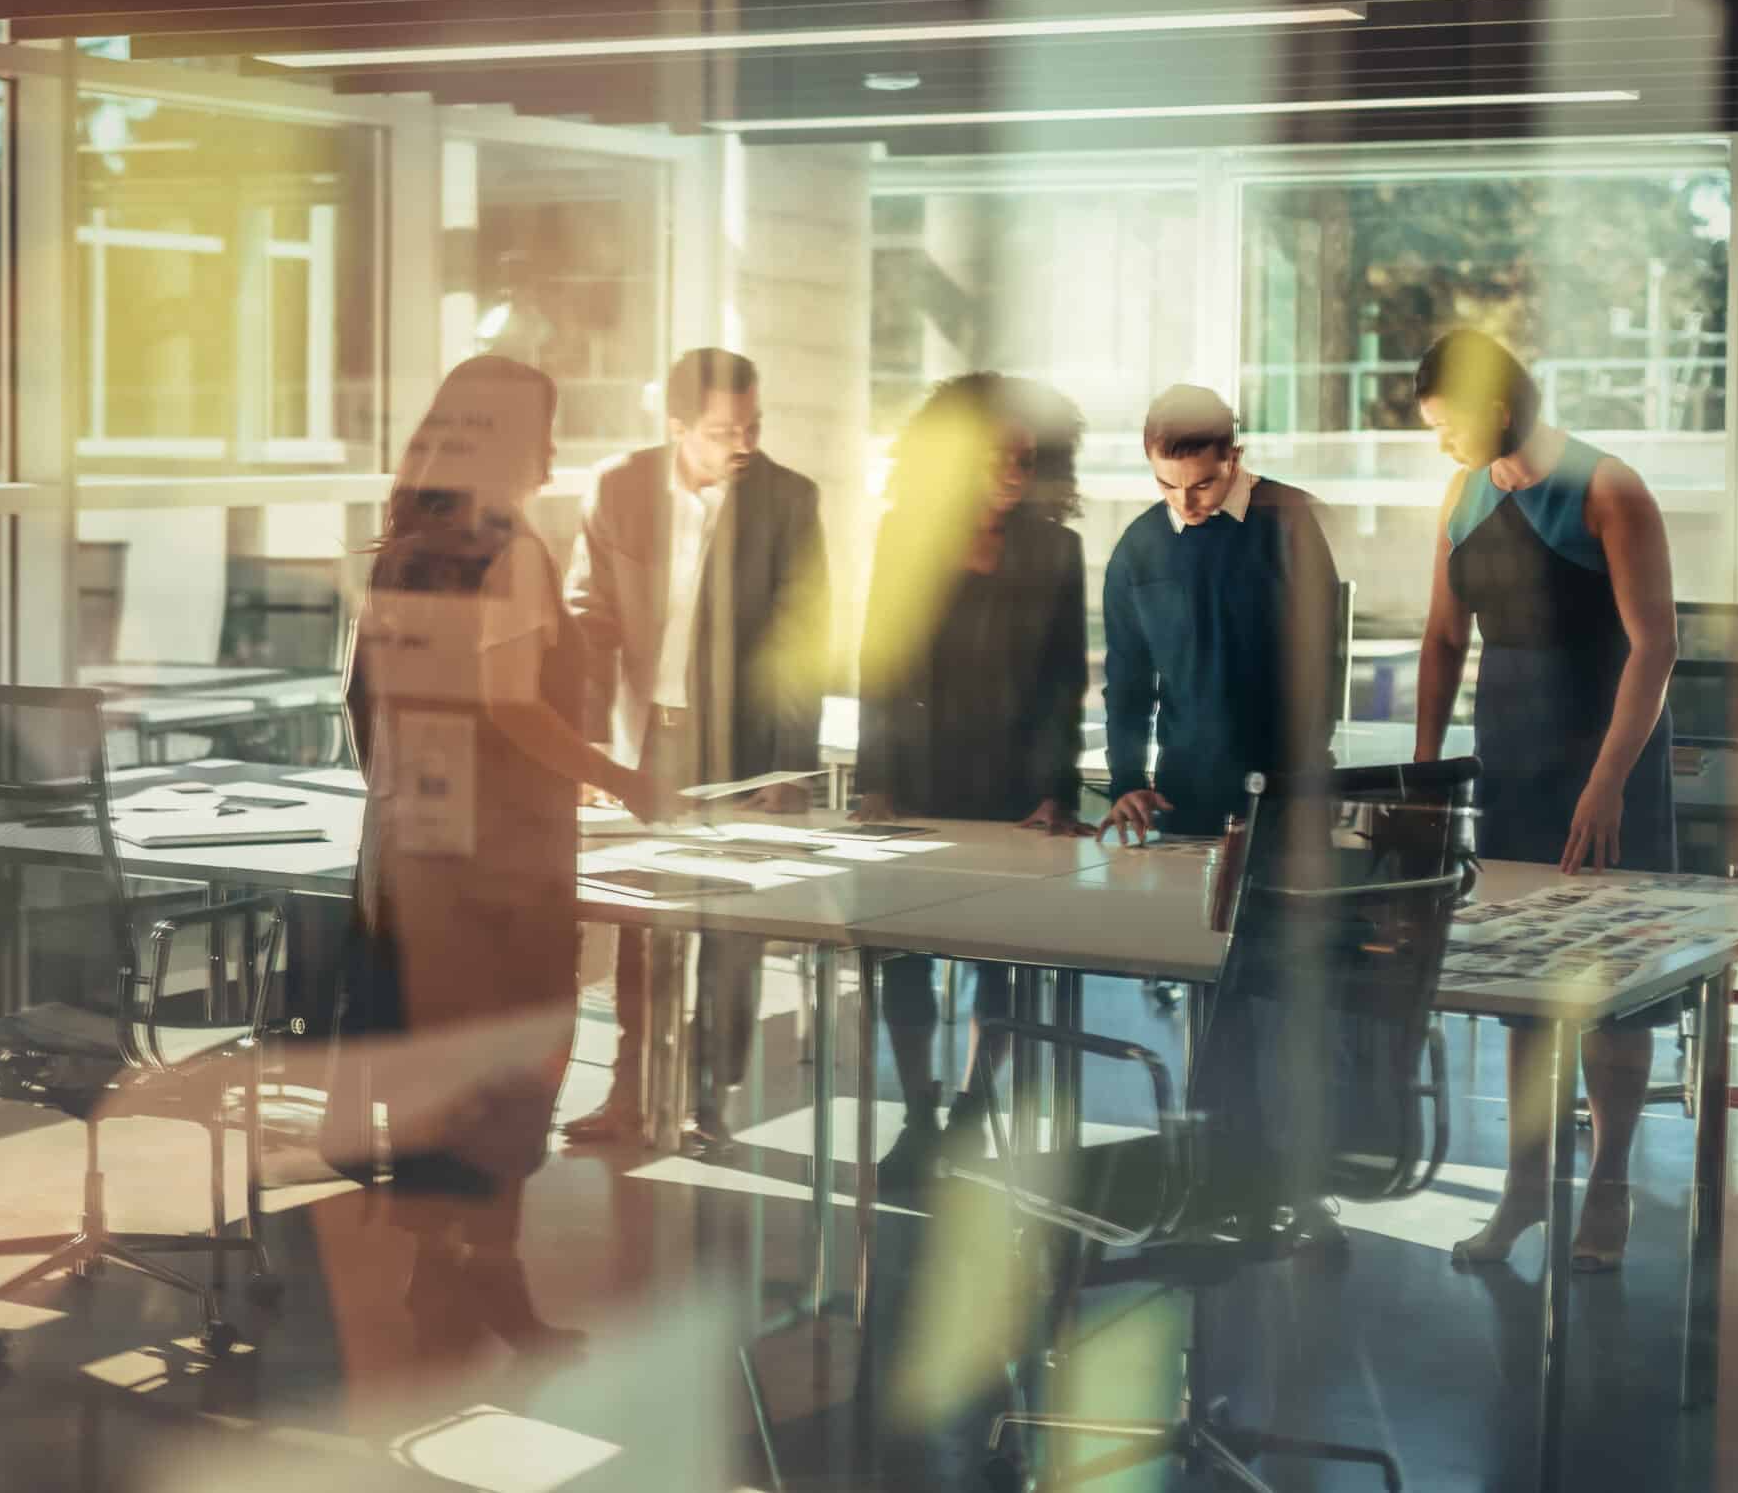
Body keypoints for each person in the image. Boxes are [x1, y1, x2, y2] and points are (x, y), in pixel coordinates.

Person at [332, 354, 666, 1357]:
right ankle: (493, 1284)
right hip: (502, 870)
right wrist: (624, 776)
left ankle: (439, 1277)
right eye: (545, 429)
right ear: (515, 441)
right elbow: (511, 703)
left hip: (411, 856)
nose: (554, 450)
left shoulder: (403, 546)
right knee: (515, 1072)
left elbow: (363, 700)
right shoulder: (504, 548)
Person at [1412, 330, 1678, 1274]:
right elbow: (1444, 641)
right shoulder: (1464, 492)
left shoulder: (1612, 488)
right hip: (1511, 757)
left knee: (1612, 985)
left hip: (1607, 757)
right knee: (1526, 988)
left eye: (1446, 426)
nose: (1440, 444)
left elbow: (1655, 646)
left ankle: (1608, 1189)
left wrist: (1609, 781)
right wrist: (1425, 772)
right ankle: (1525, 1189)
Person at [560, 347, 831, 1152]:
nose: (743, 442)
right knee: (644, 926)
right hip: (648, 739)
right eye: (723, 430)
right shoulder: (619, 485)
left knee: (730, 925)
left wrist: (789, 770)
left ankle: (707, 1101)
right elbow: (588, 616)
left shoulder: (789, 499)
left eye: (753, 424)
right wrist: (586, 748)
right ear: (676, 425)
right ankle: (633, 1093)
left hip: (744, 749)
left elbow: (800, 641)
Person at [853, 373, 1090, 1190]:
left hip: (1015, 788)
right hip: (917, 782)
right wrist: (873, 778)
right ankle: (918, 1118)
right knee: (906, 959)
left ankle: (970, 1109)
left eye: (1026, 451)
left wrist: (1058, 790)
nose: (1013, 464)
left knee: (1004, 961)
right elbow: (878, 662)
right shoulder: (903, 535)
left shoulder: (1058, 550)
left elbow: (1067, 684)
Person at [1100, 385, 1342, 842]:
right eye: (1167, 484)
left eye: (1202, 485)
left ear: (1234, 456)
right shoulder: (1138, 548)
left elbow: (1320, 664)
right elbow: (1128, 678)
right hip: (1183, 795)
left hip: (1287, 793)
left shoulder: (1290, 521)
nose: (1184, 503)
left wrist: (1296, 782)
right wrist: (1127, 781)